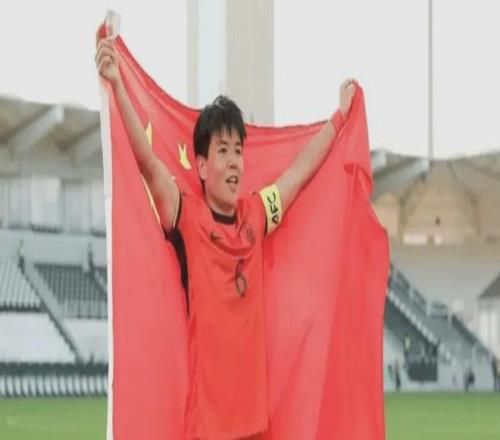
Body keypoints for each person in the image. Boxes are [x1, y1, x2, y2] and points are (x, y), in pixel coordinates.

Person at [95, 27, 355, 440]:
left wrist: (338, 119)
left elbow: (298, 175)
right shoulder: (188, 217)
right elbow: (147, 162)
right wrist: (116, 84)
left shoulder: (257, 215)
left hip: (255, 426)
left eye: (238, 151)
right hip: (208, 428)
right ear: (200, 166)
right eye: (222, 151)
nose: (234, 162)